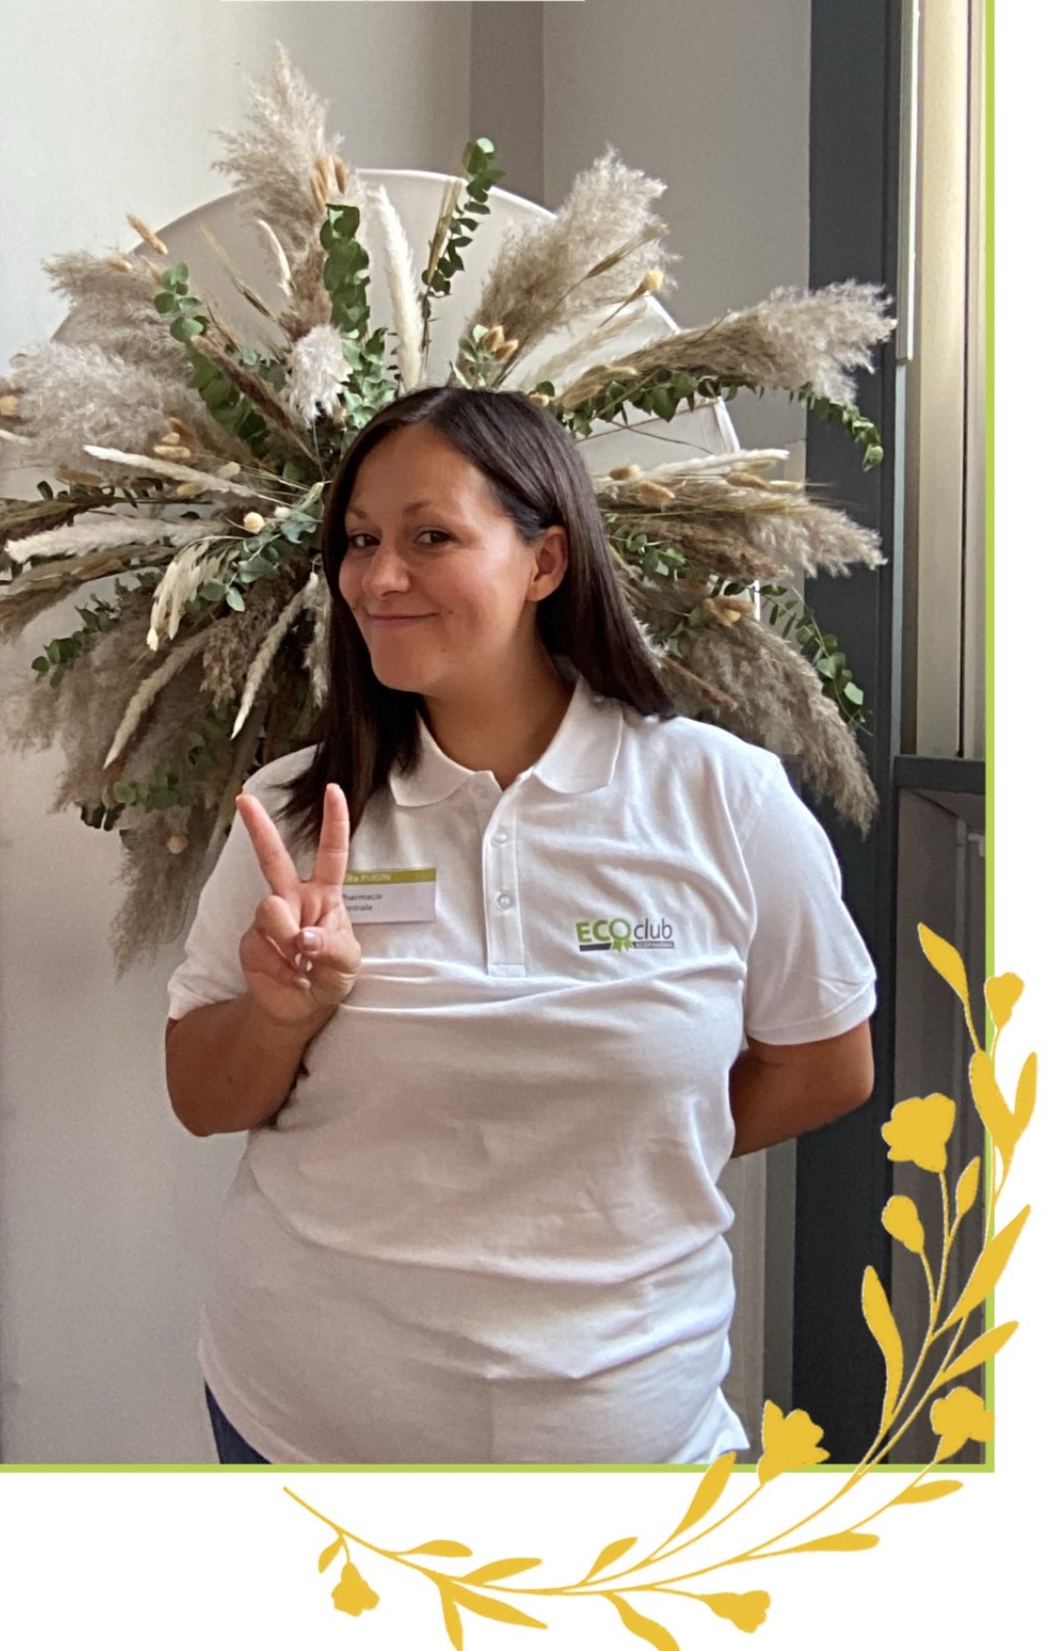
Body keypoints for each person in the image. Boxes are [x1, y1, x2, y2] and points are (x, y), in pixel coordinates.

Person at [164, 387, 876, 1467]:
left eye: (429, 537)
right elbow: (200, 1098)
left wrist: (606, 1154)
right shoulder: (300, 811)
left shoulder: (720, 798)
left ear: (545, 561)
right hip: (305, 1435)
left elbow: (825, 1064)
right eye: (360, 540)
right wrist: (279, 1014)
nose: (378, 577)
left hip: (633, 1440)